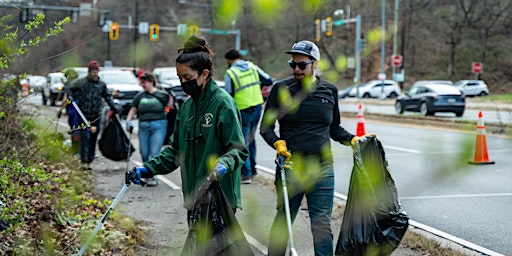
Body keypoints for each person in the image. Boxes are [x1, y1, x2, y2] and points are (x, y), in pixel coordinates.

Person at [260, 40, 369, 256]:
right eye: (293, 65)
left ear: (314, 64)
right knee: (284, 222)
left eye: (302, 65)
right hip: (291, 168)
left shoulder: (329, 90)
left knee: (321, 226)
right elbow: (265, 127)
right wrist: (277, 143)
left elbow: (334, 128)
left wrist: (353, 140)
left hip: (322, 169)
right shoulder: (281, 89)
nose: (297, 70)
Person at [130, 35, 248, 217]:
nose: (184, 83)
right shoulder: (186, 108)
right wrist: (148, 168)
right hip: (193, 197)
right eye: (180, 78)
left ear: (204, 74)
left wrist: (224, 163)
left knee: (216, 246)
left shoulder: (223, 104)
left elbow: (238, 149)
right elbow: (175, 151)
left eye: (188, 77)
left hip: (220, 198)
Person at [224, 48, 274, 184]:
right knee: (251, 139)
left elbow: (228, 94)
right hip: (257, 106)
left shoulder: (230, 72)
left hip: (242, 109)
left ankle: (246, 174)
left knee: (242, 141)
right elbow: (269, 80)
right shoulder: (253, 67)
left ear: (229, 60)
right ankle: (253, 169)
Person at [69, 60, 120, 170]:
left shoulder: (101, 85)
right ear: (89, 72)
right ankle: (84, 161)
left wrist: (114, 107)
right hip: (83, 115)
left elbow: (107, 97)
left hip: (96, 116)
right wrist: (70, 97)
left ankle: (90, 159)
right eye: (93, 72)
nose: (95, 74)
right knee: (85, 137)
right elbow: (70, 89)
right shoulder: (81, 83)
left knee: (93, 138)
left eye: (96, 71)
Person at [125, 72, 173, 186]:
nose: (142, 84)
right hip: (143, 126)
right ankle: (147, 172)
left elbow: (171, 107)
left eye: (144, 82)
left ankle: (152, 176)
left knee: (154, 152)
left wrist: (171, 95)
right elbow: (133, 109)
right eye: (141, 82)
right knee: (144, 152)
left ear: (151, 82)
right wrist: (128, 120)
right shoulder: (140, 96)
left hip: (159, 126)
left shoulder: (161, 94)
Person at [58, 68, 80, 157]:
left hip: (73, 109)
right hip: (82, 110)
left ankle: (76, 151)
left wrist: (60, 110)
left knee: (74, 130)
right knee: (80, 129)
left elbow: (65, 99)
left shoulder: (68, 85)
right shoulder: (80, 84)